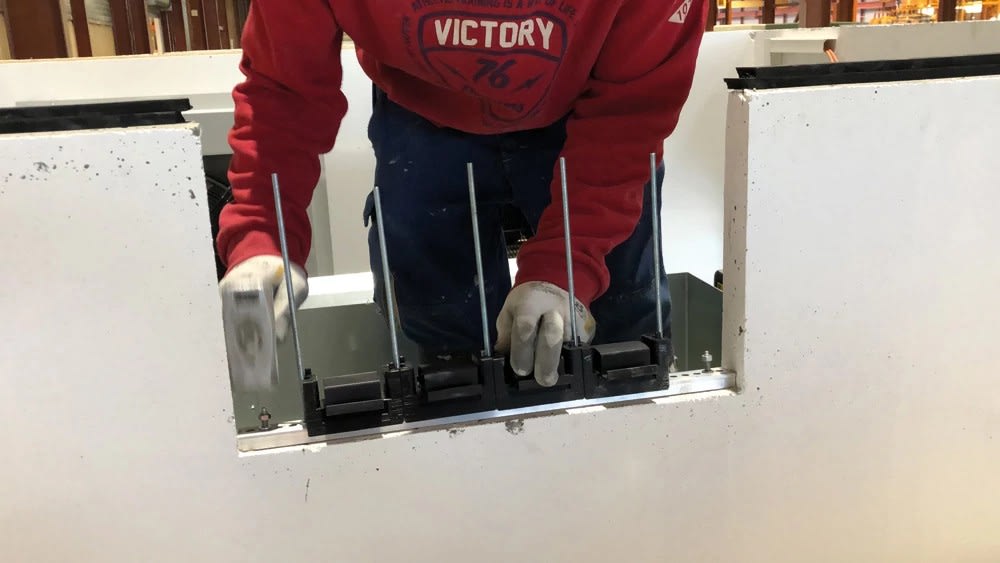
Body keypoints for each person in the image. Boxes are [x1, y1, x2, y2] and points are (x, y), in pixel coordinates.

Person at [217, 1, 707, 387]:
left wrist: (569, 264)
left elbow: (629, 115)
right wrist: (263, 230)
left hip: (590, 102)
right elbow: (284, 92)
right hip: (420, 102)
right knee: (445, 347)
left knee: (622, 335)